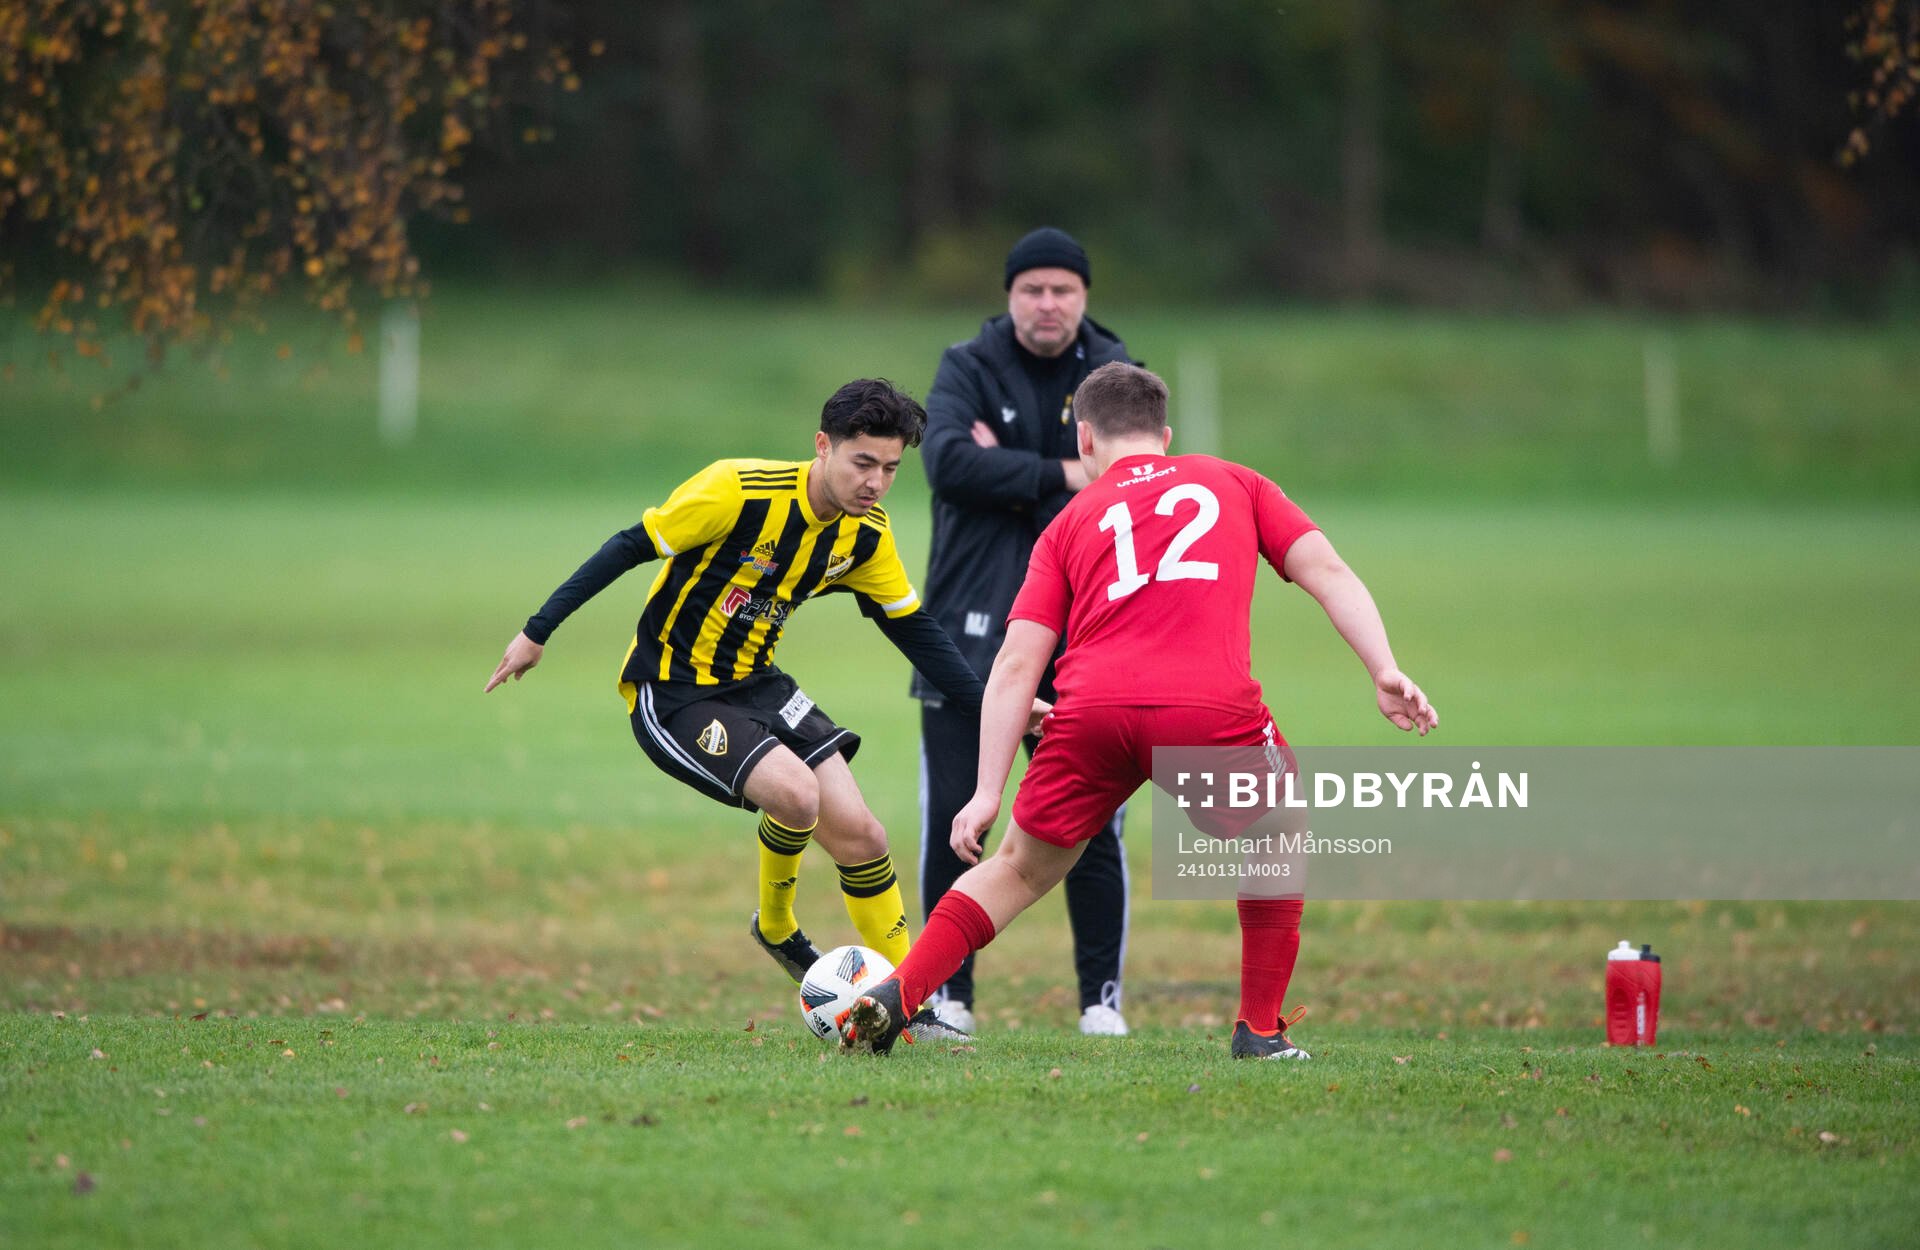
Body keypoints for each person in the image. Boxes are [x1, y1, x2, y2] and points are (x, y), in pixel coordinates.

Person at [842, 362, 1439, 1058]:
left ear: (1085, 436)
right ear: (1166, 433)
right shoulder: (1235, 482)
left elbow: (1014, 664)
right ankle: (1259, 1029)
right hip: (1206, 709)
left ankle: (898, 994)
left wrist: (985, 792)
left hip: (1090, 710)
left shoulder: (1070, 521)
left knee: (1020, 867)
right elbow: (1327, 573)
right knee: (1278, 832)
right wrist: (1383, 666)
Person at [485, 380, 1032, 1039]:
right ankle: (777, 925)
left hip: (760, 683)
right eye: (863, 463)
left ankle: (909, 1006)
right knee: (797, 795)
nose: (876, 483)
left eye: (890, 468)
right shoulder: (736, 490)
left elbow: (914, 628)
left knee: (865, 837)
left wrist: (1002, 705)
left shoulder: (864, 536)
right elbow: (629, 545)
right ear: (823, 446)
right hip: (674, 689)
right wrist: (536, 632)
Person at [914, 226, 1135, 1037]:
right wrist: (1067, 472)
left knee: (1094, 825)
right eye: (1032, 289)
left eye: (1063, 289)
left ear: (1084, 296)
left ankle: (1099, 1002)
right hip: (969, 626)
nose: (1048, 303)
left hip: (1087, 625)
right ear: (1010, 296)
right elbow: (946, 464)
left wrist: (1006, 469)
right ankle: (949, 997)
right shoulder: (965, 366)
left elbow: (1128, 485)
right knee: (957, 817)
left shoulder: (1117, 371)